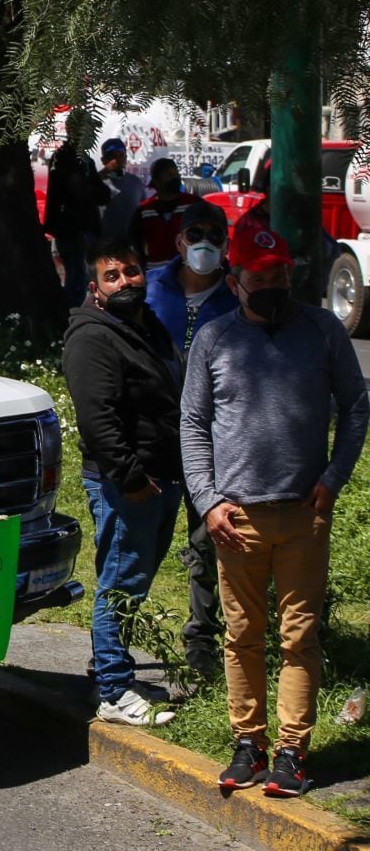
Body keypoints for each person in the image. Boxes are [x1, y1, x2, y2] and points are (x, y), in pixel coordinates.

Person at [181, 217, 368, 796]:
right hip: (234, 519)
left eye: (282, 273)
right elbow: (192, 424)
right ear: (235, 280)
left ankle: (292, 752)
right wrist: (208, 501)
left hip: (303, 514)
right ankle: (248, 744)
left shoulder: (323, 331)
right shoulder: (213, 338)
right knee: (241, 635)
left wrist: (335, 478)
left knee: (298, 638)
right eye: (261, 275)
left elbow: (357, 407)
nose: (274, 284)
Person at [63, 238, 184, 727]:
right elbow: (99, 421)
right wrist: (130, 478)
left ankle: (112, 668)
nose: (125, 282)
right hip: (127, 483)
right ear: (96, 287)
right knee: (121, 581)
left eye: (131, 272)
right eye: (113, 276)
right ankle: (113, 690)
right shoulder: (93, 337)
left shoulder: (145, 325)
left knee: (134, 580)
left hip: (160, 476)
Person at [146, 201, 240, 678]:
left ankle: (200, 639)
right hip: (157, 439)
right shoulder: (148, 288)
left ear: (226, 244)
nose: (205, 243)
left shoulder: (239, 296)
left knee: (208, 540)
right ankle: (114, 643)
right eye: (195, 234)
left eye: (215, 236)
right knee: (141, 541)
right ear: (180, 241)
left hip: (213, 444)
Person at [44, 133, 110, 308]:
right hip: (73, 228)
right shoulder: (65, 157)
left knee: (86, 277)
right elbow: (79, 190)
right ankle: (73, 320)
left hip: (86, 226)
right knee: (77, 280)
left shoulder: (85, 159)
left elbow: (102, 193)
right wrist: (95, 190)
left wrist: (97, 190)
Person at [134, 158, 202, 265]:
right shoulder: (144, 210)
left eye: (176, 173)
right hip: (156, 275)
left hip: (188, 272)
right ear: (156, 181)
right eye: (169, 175)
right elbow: (136, 245)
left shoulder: (193, 204)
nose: (175, 177)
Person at [98, 138, 146, 242]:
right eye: (112, 156)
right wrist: (106, 171)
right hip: (104, 244)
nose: (117, 160)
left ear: (126, 158)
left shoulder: (136, 182)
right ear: (103, 160)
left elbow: (143, 211)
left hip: (131, 244)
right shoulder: (97, 182)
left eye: (121, 155)